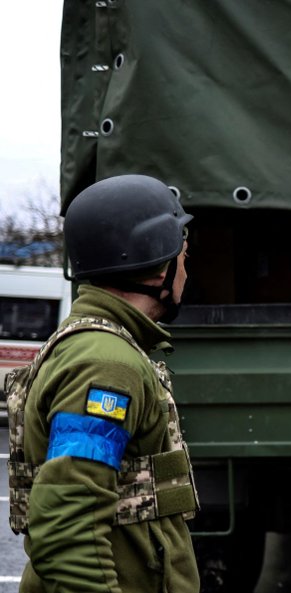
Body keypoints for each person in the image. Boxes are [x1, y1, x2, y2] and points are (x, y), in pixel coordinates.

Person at [7, 174, 201, 593]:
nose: (187, 268)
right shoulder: (106, 365)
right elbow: (65, 524)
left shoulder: (101, 348)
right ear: (158, 264)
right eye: (183, 254)